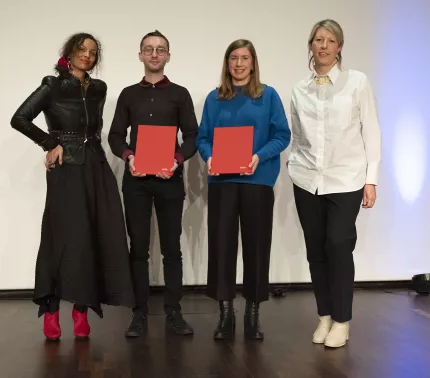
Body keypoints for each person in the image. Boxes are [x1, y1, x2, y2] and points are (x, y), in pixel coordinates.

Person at [10, 33, 135, 341]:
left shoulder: (99, 89)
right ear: (69, 52)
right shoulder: (52, 85)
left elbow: (93, 129)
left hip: (96, 165)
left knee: (97, 232)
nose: (87, 55)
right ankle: (51, 310)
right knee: (63, 237)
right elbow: (20, 118)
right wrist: (50, 144)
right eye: (81, 50)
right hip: (66, 169)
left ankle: (82, 309)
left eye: (93, 52)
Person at [288, 19, 382, 348]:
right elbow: (297, 136)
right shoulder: (301, 89)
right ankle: (324, 316)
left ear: (339, 47)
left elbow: (371, 131)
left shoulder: (357, 82)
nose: (324, 45)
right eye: (318, 40)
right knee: (316, 250)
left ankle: (342, 320)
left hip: (347, 178)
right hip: (307, 179)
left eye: (330, 40)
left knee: (339, 245)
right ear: (311, 46)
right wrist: (293, 165)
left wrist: (371, 179)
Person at [196, 39, 291, 340]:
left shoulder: (268, 95)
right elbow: (202, 138)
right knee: (222, 247)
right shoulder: (214, 98)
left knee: (257, 247)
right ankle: (226, 314)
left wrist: (258, 157)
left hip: (257, 181)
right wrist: (209, 157)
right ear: (227, 63)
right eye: (233, 58)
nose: (238, 64)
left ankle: (253, 313)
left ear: (253, 62)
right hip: (222, 182)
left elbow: (282, 136)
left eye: (244, 58)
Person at [108, 30, 198, 337]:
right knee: (139, 250)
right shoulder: (128, 94)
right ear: (141, 55)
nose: (155, 54)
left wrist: (176, 159)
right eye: (149, 49)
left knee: (172, 249)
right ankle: (139, 313)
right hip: (136, 181)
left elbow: (192, 136)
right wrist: (129, 156)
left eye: (160, 50)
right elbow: (115, 136)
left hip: (169, 180)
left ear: (168, 56)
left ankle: (174, 312)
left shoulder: (180, 94)